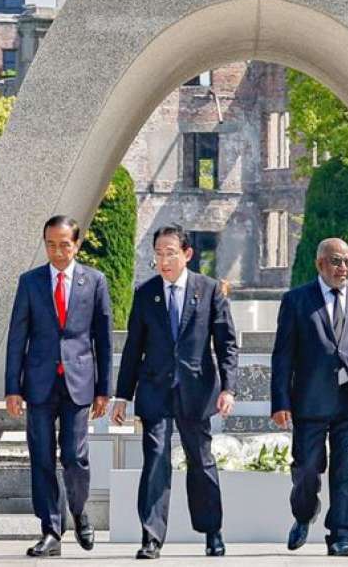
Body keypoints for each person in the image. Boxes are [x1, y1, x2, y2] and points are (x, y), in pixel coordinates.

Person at [111, 224, 238, 559]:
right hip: (155, 390)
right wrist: (122, 395)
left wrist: (228, 388)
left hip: (197, 391)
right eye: (158, 254)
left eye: (170, 253)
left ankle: (212, 531)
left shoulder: (209, 290)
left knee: (201, 461)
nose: (164, 260)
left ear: (187, 254)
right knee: (155, 460)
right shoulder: (146, 292)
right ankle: (151, 536)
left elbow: (226, 344)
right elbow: (133, 348)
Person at [5, 215, 113, 558]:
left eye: (64, 244)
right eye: (51, 244)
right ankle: (51, 530)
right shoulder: (31, 282)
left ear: (76, 244)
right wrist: (12, 387)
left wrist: (103, 389)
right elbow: (16, 338)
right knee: (40, 457)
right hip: (38, 383)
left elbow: (104, 339)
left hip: (80, 383)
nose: (58, 251)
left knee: (74, 456)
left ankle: (79, 511)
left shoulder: (94, 281)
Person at [270, 238, 348, 557]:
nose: (343, 268)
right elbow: (283, 356)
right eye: (337, 261)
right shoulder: (296, 301)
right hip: (310, 399)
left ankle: (342, 536)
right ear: (320, 264)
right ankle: (304, 513)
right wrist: (280, 402)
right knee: (307, 468)